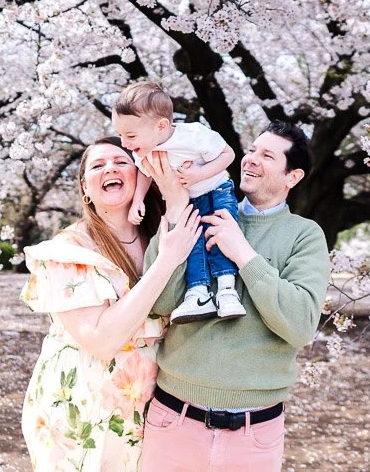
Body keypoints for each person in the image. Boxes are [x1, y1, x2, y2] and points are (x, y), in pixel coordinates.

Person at [138, 120, 332, 472]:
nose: (251, 159)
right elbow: (160, 304)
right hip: (174, 419)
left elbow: (301, 324)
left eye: (267, 156)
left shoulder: (305, 236)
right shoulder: (199, 212)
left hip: (253, 433)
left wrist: (242, 253)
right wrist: (174, 211)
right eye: (252, 150)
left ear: (293, 177)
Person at [20, 137, 202, 472]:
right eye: (98, 165)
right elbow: (102, 340)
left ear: (141, 177)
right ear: (85, 187)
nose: (110, 169)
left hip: (152, 406)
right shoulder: (68, 251)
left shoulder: (161, 235)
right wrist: (166, 263)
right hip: (82, 408)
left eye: (121, 162)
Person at [111, 81, 246, 324]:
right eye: (121, 135)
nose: (124, 143)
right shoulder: (144, 150)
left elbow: (229, 154)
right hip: (189, 199)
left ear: (161, 126)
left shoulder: (193, 136)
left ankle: (227, 290)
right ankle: (198, 292)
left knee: (219, 236)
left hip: (217, 189)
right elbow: (144, 172)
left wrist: (199, 174)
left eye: (130, 135)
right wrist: (137, 200)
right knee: (191, 242)